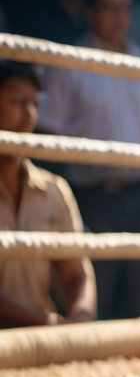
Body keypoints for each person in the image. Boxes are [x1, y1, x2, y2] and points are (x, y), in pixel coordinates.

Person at [42, 0, 140, 319]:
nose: (119, 16)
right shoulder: (70, 61)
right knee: (96, 286)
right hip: (91, 195)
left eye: (125, 7)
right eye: (110, 7)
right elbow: (46, 130)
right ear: (90, 13)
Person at [0, 61, 97, 328]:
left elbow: (76, 275)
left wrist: (80, 316)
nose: (29, 114)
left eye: (34, 104)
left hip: (43, 337)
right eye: (16, 102)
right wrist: (45, 322)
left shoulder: (54, 190)